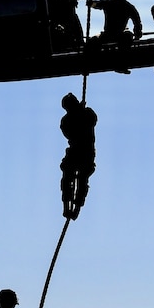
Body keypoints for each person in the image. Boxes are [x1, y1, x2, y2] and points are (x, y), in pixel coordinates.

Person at [59, 92, 97, 220]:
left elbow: (92, 120)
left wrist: (81, 112)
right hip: (78, 151)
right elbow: (71, 133)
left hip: (85, 153)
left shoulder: (86, 114)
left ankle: (75, 207)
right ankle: (68, 206)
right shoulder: (69, 120)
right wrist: (80, 113)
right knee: (69, 177)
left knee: (81, 179)